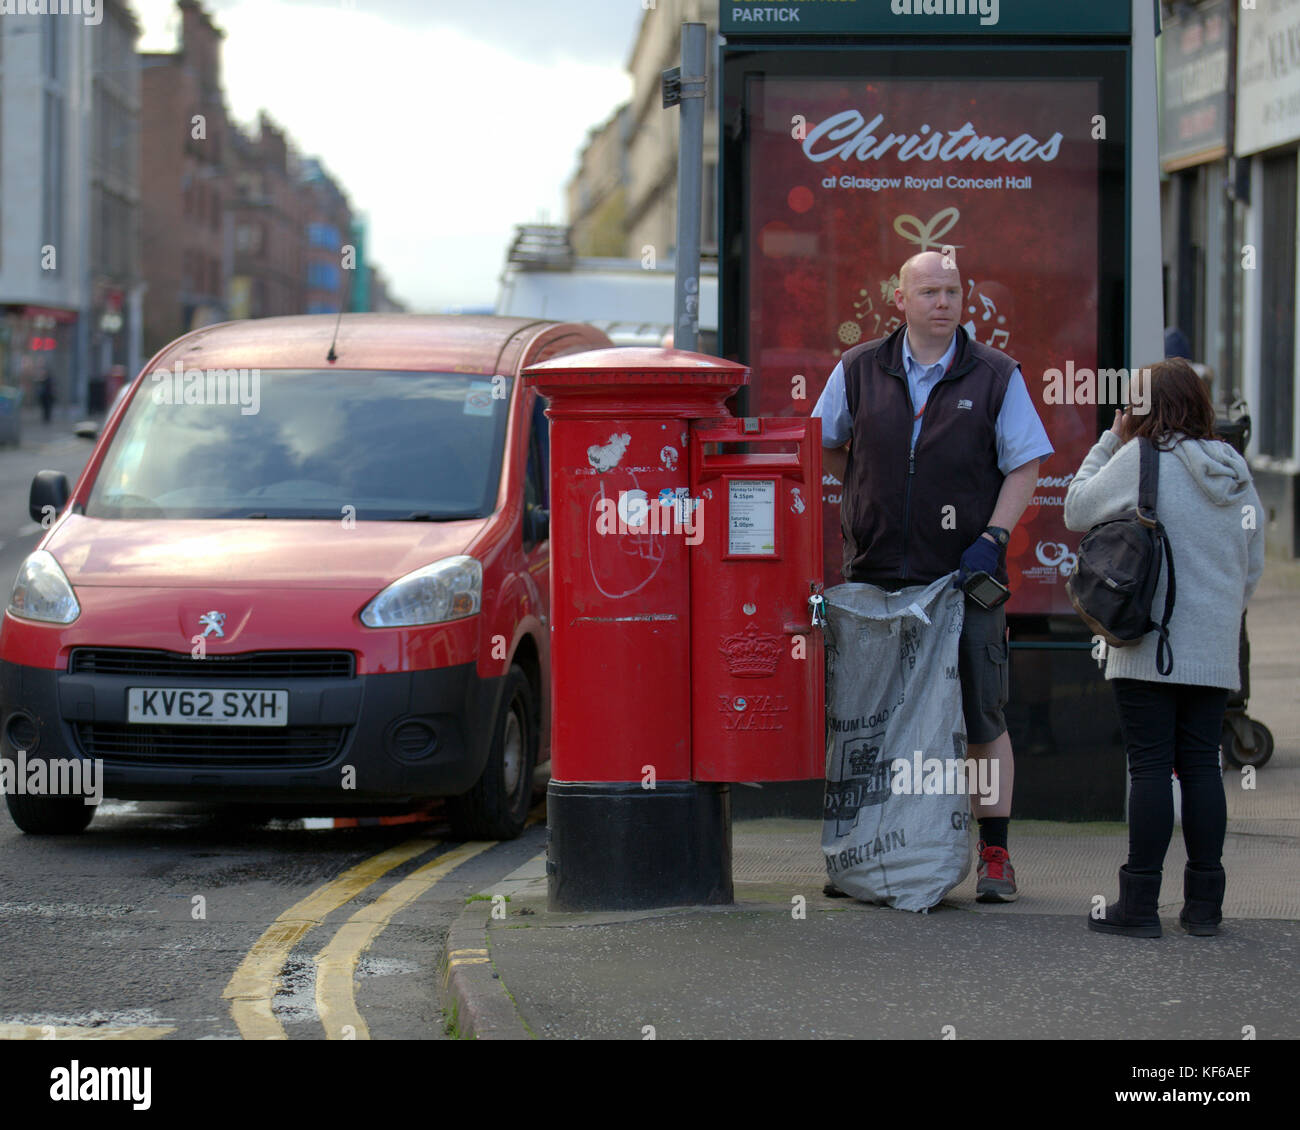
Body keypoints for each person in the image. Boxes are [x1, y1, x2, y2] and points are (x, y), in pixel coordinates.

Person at [813, 250, 1054, 902]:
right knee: (872, 716)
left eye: (952, 291)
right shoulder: (859, 369)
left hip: (963, 579)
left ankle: (995, 857)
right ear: (900, 299)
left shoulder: (998, 375)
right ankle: (866, 853)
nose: (943, 303)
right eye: (930, 292)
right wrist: (867, 496)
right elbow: (826, 444)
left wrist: (993, 537)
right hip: (876, 577)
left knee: (981, 715)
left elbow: (1025, 465)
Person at [1064, 359, 1263, 937]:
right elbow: (1252, 565)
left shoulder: (1140, 458)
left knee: (1150, 767)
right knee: (1202, 766)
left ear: (1142, 409)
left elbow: (1077, 508)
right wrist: (1220, 613)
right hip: (1212, 647)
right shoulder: (1235, 470)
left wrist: (1110, 438)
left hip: (1148, 640)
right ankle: (1204, 907)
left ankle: (1140, 906)